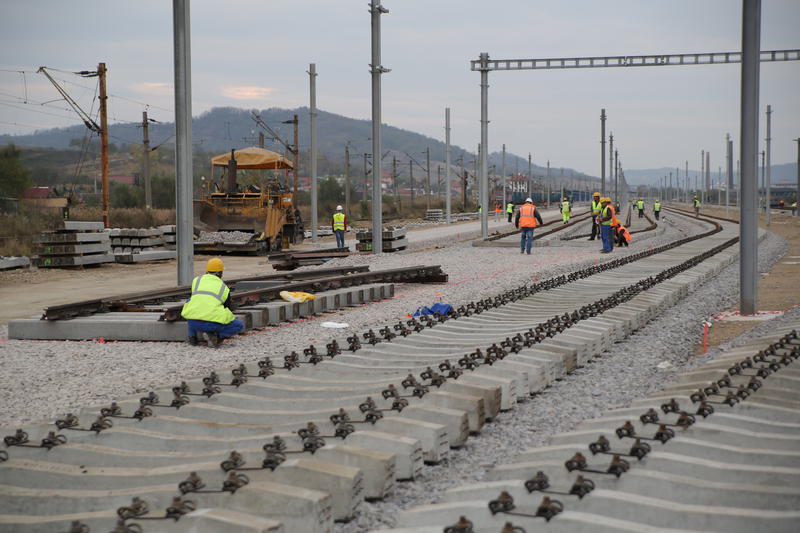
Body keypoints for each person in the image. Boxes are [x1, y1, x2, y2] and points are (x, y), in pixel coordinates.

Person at [181, 258, 244, 347]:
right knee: (238, 325)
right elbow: (228, 308)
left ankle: (192, 337)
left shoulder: (196, 280)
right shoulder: (223, 287)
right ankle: (216, 338)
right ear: (220, 273)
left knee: (191, 303)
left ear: (207, 270)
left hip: (193, 323)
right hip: (211, 324)